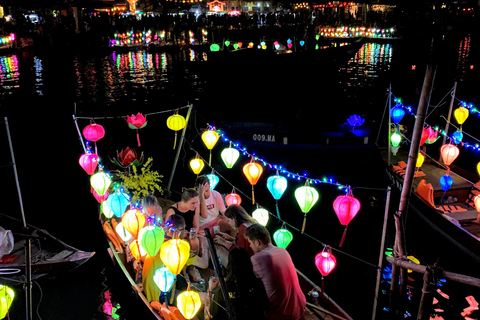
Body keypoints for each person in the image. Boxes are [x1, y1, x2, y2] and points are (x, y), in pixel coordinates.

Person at [244, 224, 306, 320]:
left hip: (280, 314)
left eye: (250, 243)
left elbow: (244, 278)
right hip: (299, 307)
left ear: (257, 242)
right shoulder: (283, 251)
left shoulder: (258, 258)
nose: (250, 246)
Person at [203, 247, 268, 320]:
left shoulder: (223, 292)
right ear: (249, 264)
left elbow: (207, 316)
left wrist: (210, 289)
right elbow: (266, 307)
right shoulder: (258, 285)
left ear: (229, 266)